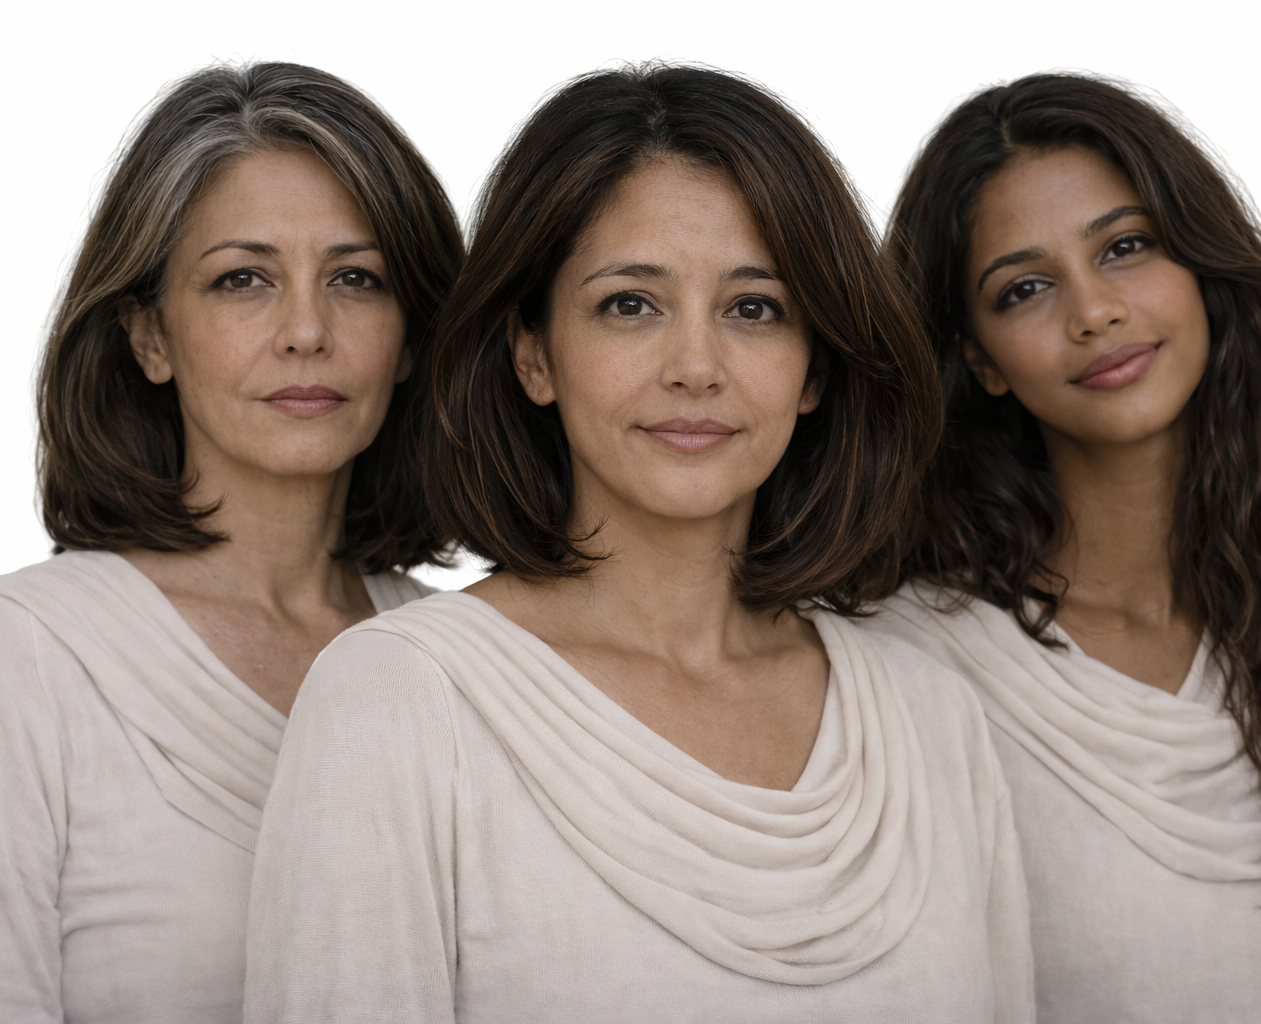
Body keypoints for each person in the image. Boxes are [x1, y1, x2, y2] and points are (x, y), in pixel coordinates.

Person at [245, 64, 1035, 1023]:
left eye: (755, 309)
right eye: (631, 304)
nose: (696, 367)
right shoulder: (401, 702)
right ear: (533, 353)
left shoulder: (933, 718)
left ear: (815, 367)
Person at [872, 72, 1261, 1022]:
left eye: (1126, 247)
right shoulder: (904, 666)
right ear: (980, 362)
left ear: (1202, 273)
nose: (1093, 311)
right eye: (1024, 288)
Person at [0, 62, 462, 1023]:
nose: (305, 330)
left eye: (355, 279)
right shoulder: (22, 652)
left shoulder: (472, 662)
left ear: (411, 338)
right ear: (149, 337)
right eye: (242, 279)